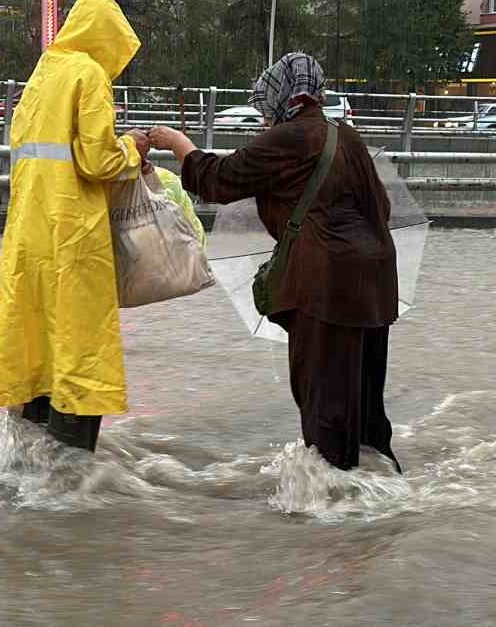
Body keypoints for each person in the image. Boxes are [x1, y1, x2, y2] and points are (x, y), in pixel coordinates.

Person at [149, 53, 401, 472]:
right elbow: (384, 208)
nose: (264, 118)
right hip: (374, 287)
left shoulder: (291, 137)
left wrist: (179, 144)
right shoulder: (346, 135)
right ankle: (382, 503)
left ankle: (332, 515)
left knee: (325, 411)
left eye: (265, 108)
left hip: (324, 289)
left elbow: (219, 178)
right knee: (365, 411)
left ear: (283, 99)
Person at [0, 0, 151, 451]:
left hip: (27, 237)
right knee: (81, 344)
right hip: (74, 234)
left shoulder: (42, 75)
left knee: (36, 341)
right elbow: (97, 159)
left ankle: (30, 461)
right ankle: (72, 475)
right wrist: (132, 149)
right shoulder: (88, 74)